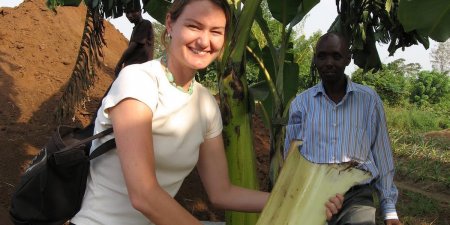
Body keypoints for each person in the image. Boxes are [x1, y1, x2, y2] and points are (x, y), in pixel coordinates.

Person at [70, 1, 343, 224]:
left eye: (216, 31)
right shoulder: (139, 81)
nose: (204, 41)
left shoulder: (205, 103)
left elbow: (221, 192)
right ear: (170, 24)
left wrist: (297, 200)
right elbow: (144, 195)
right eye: (194, 26)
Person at [284, 32, 402, 225]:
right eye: (322, 56)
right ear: (315, 59)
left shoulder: (369, 100)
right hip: (312, 193)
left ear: (348, 59)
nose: (329, 62)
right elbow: (291, 158)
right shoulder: (301, 104)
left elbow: (382, 155)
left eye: (336, 56)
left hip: (356, 196)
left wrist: (389, 210)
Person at [114, 0, 154, 76]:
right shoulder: (137, 27)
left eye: (132, 12)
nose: (129, 15)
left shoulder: (145, 24)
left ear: (140, 11)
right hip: (133, 69)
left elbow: (133, 46)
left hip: (137, 71)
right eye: (127, 13)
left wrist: (119, 64)